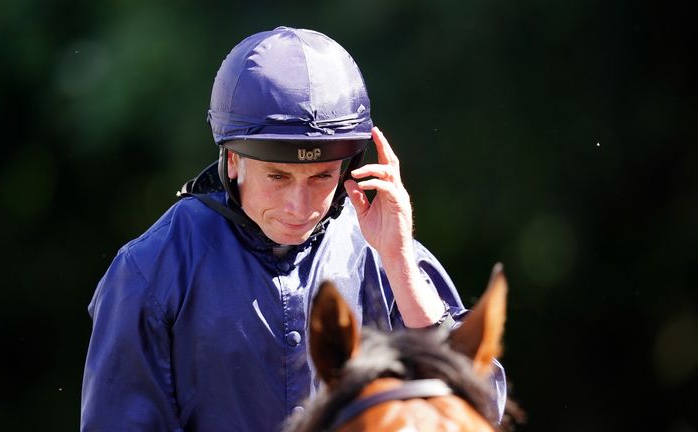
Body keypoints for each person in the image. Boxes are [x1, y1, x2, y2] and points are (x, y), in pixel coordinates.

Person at [81, 26, 506, 431]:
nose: (299, 207)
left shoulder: (387, 253)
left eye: (321, 177)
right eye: (278, 177)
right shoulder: (149, 269)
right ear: (233, 162)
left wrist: (398, 261)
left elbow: (482, 405)